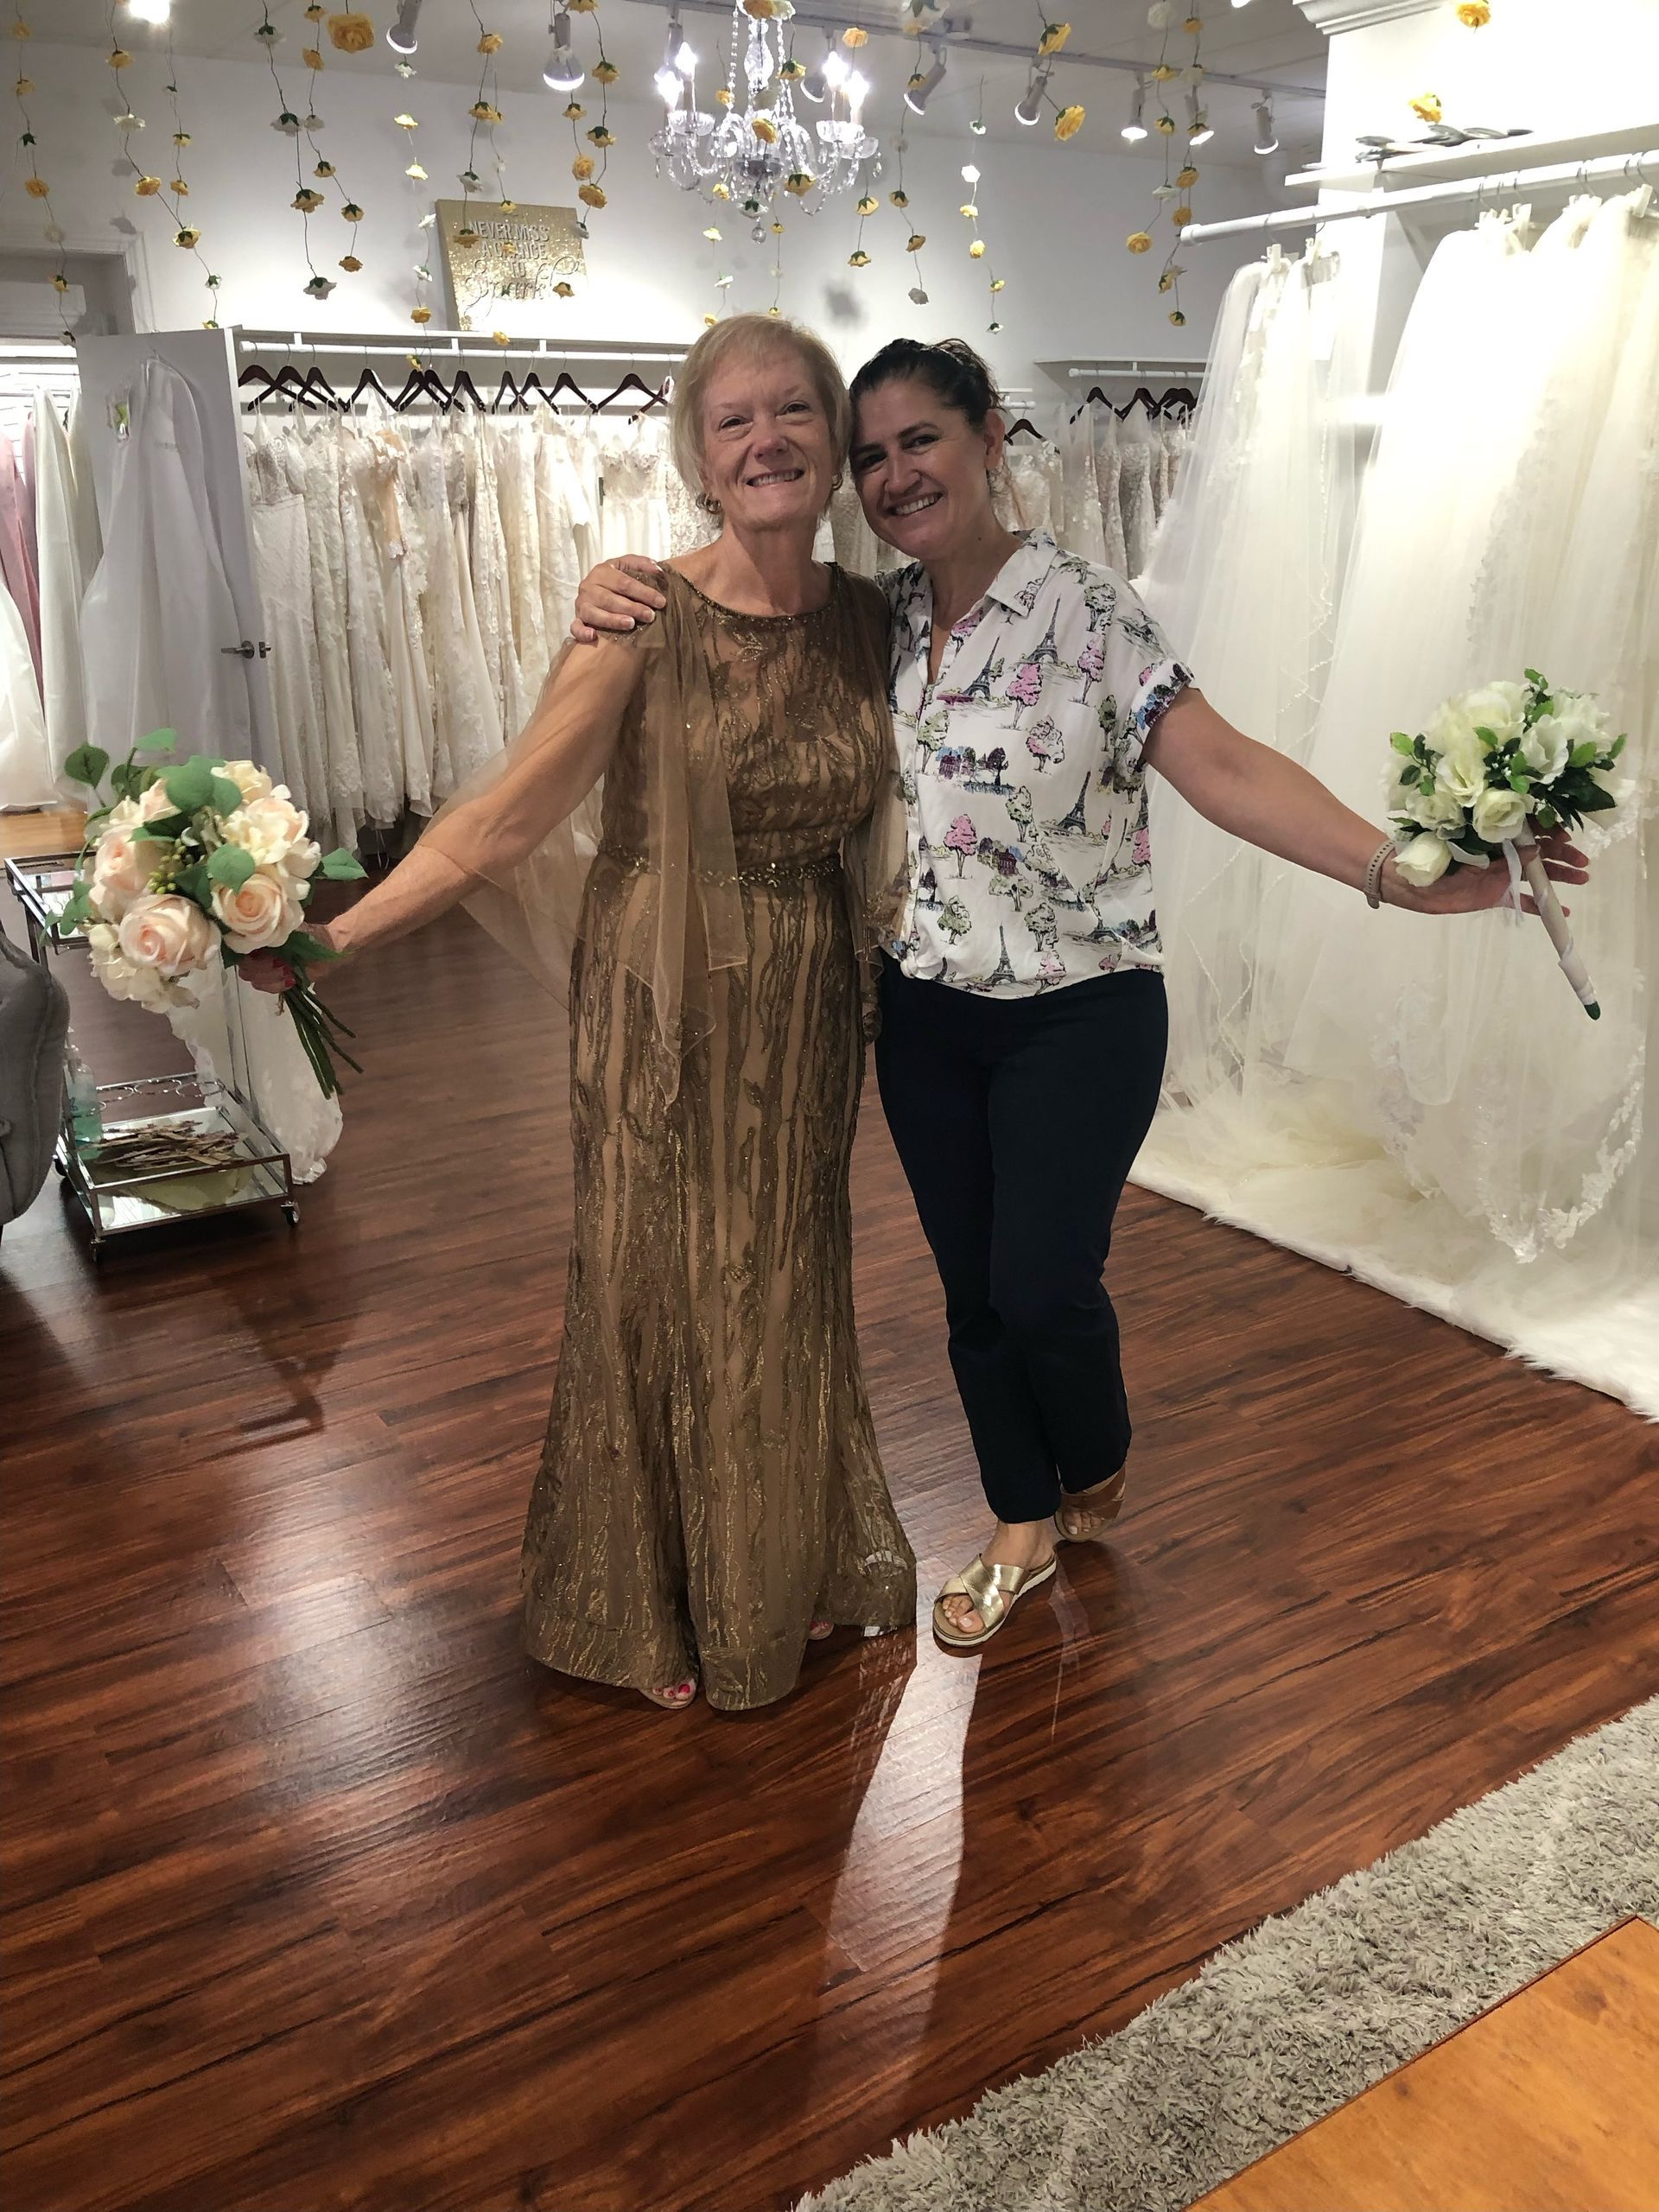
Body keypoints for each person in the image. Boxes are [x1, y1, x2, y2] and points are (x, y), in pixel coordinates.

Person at [569, 335, 1590, 1653]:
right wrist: (613, 584)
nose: (896, 475)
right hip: (926, 1015)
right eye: (873, 456)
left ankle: (1094, 1454)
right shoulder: (876, 621)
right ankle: (1019, 1522)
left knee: (1044, 1284)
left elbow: (1226, 769)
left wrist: (1399, 873)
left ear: (989, 437)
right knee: (975, 1296)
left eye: (922, 441)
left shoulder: (1088, 611)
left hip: (1082, 1011)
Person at [246, 314, 918, 1710]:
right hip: (658, 1003)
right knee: (656, 1277)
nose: (767, 441)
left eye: (793, 411)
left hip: (805, 999)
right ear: (696, 455)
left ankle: (783, 1559)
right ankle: (650, 1603)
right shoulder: (638, 619)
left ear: (835, 439)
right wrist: (331, 941)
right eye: (733, 420)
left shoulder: (872, 620)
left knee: (785, 1272)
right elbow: (500, 822)